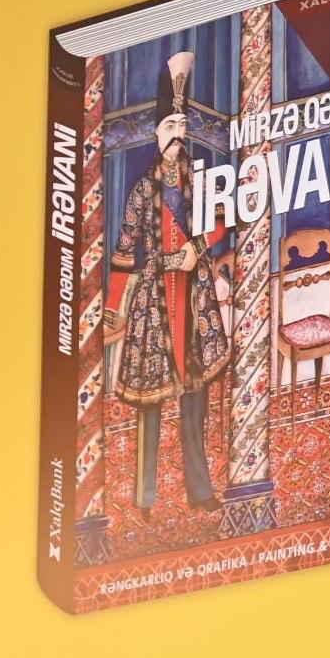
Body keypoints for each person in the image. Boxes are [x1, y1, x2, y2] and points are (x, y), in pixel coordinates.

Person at [111, 51, 230, 513]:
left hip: (194, 299)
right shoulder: (142, 190)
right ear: (156, 134)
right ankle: (145, 498)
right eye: (169, 127)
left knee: (195, 400)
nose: (177, 135)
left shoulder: (200, 180)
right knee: (151, 405)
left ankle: (200, 492)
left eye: (181, 126)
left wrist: (197, 248)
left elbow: (221, 221)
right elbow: (124, 252)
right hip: (153, 305)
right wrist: (112, 309)